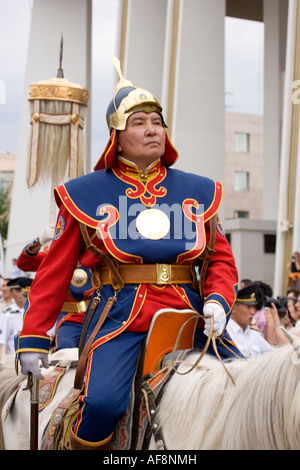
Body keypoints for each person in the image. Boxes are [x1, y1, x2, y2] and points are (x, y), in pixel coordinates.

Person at [15, 60, 240, 450]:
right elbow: (54, 273)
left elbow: (220, 260)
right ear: (115, 136)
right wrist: (34, 338)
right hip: (120, 318)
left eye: (157, 120)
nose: (152, 129)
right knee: (101, 405)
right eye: (138, 122)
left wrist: (219, 300)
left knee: (244, 389)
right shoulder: (84, 193)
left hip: (191, 316)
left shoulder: (199, 190)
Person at [16, 224, 94, 351]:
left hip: (99, 316)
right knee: (65, 354)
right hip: (70, 319)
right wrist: (39, 241)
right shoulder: (56, 253)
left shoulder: (101, 252)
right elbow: (24, 263)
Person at [227, 283, 273, 358]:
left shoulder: (254, 334)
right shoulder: (224, 332)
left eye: (254, 307)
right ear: (234, 308)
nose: (253, 312)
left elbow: (272, 355)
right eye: (248, 307)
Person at [0, 277, 32, 361]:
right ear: (11, 292)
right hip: (14, 362)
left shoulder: (41, 313)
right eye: (18, 290)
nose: (22, 294)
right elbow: (2, 343)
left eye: (26, 291)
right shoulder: (7, 315)